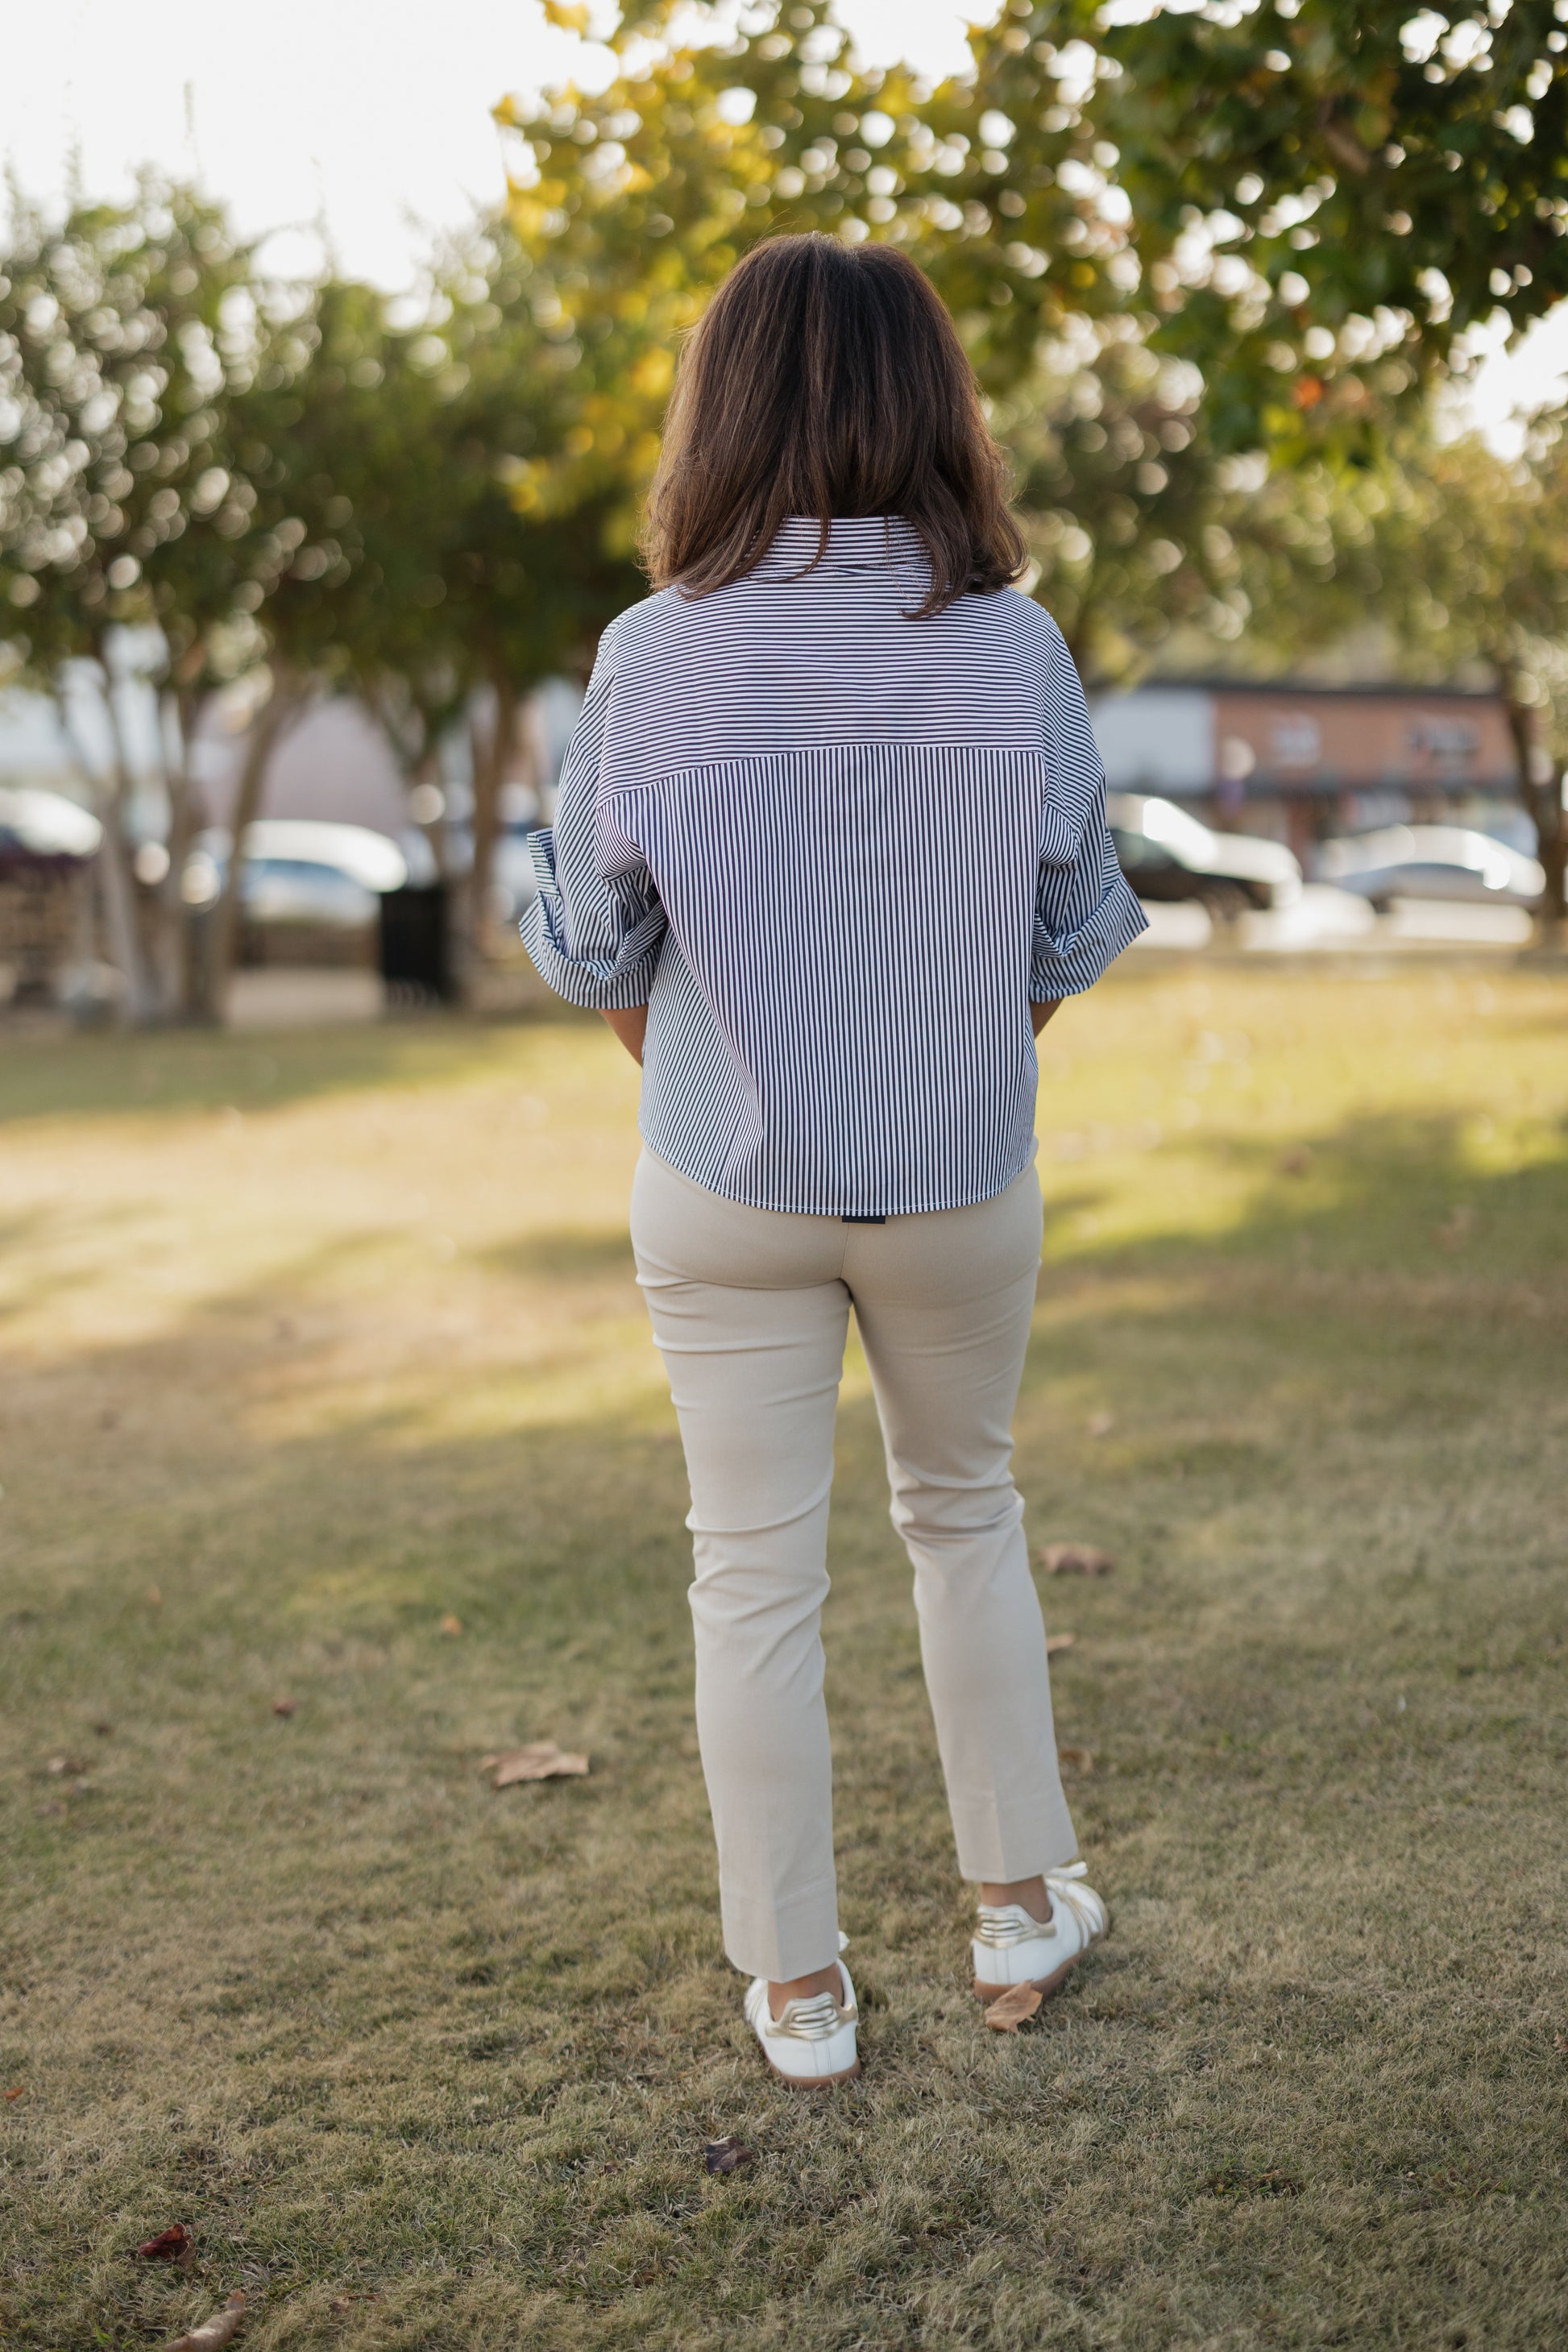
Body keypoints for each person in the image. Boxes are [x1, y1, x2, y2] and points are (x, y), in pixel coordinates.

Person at [521, 232, 1147, 2088]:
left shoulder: (652, 654)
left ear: (718, 408)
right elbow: (1068, 930)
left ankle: (799, 1988)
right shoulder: (1015, 647)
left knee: (751, 1575)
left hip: (721, 1189)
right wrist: (941, 1071)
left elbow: (595, 951)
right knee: (966, 1517)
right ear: (933, 403)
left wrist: (722, 1085)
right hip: (958, 1181)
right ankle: (1018, 1904)